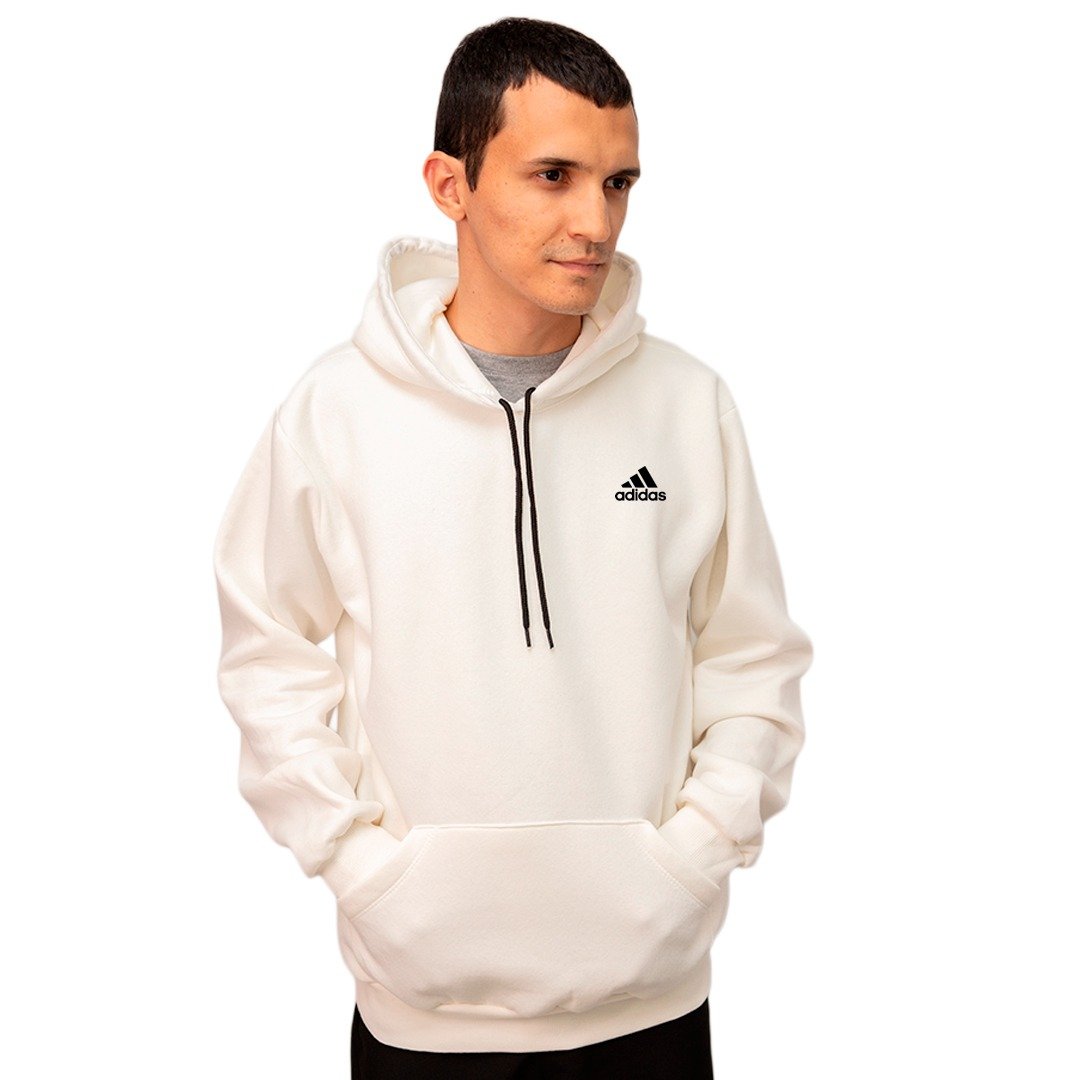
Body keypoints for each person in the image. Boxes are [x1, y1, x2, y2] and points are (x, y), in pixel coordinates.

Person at [212, 15, 813, 1078]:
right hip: (423, 1011)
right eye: (553, 176)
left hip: (651, 1003)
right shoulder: (336, 412)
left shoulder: (687, 405)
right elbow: (268, 657)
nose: (596, 220)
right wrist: (362, 869)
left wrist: (692, 859)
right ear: (450, 184)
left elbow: (751, 656)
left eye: (618, 183)